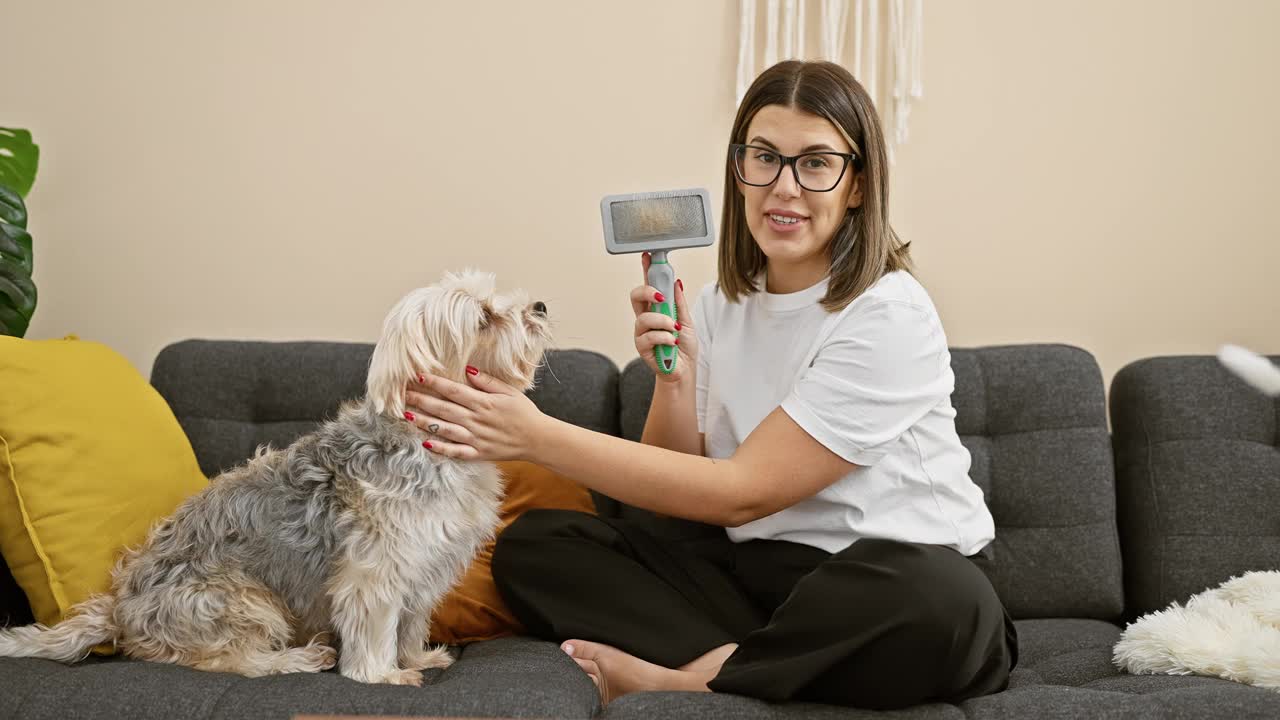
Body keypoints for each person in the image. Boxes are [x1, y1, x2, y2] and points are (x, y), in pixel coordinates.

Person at [403, 59, 1018, 711]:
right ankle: (777, 662)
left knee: (944, 601)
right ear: (739, 169)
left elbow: (743, 494)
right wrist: (678, 381)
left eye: (815, 163)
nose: (784, 188)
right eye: (764, 158)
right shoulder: (720, 304)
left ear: (858, 185)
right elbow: (667, 505)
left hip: (887, 582)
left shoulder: (888, 312)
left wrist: (534, 436)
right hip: (758, 589)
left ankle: (691, 678)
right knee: (537, 545)